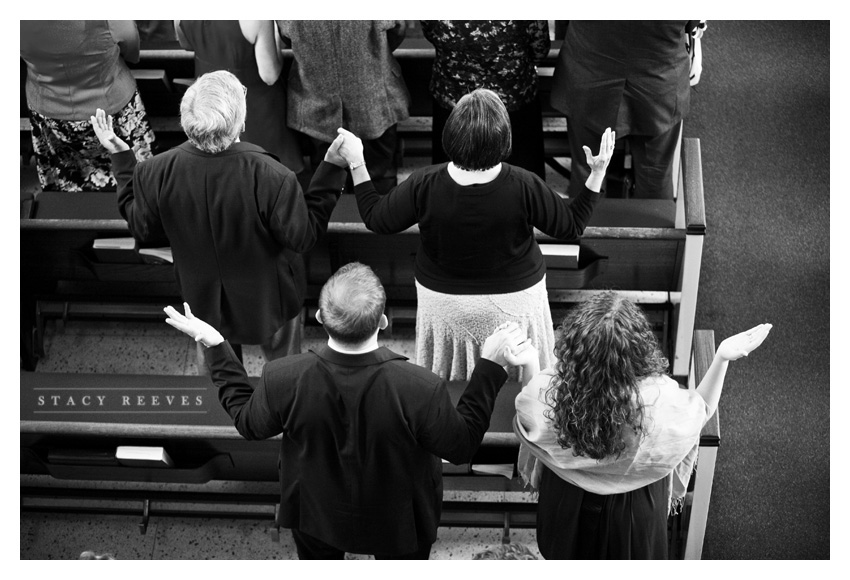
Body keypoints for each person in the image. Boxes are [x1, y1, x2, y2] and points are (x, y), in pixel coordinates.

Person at [163, 262, 531, 560]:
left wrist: (215, 345)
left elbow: (248, 423)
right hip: (398, 519)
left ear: (321, 318)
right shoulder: (419, 387)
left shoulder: (284, 377)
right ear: (383, 322)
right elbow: (461, 445)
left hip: (315, 511)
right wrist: (489, 367)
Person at [336, 88, 615, 381]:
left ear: (451, 135)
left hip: (446, 302)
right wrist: (596, 173)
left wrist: (357, 162)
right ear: (504, 138)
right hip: (515, 301)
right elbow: (570, 226)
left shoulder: (424, 183)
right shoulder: (524, 184)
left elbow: (376, 219)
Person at [91, 70, 347, 368]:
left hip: (202, 297)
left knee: (217, 376)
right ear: (240, 119)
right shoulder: (272, 175)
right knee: (284, 368)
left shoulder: (153, 172)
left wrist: (124, 161)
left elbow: (143, 230)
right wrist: (330, 170)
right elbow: (302, 237)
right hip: (269, 295)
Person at [508, 292, 771, 559]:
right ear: (637, 349)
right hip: (634, 510)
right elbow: (701, 408)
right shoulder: (661, 400)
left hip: (567, 501)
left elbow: (530, 416)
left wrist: (530, 363)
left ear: (576, 348)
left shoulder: (554, 391)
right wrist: (721, 358)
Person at [550, 21, 706, 199]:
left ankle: (584, 225)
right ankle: (652, 225)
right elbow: (692, 25)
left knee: (588, 171)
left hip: (589, 74)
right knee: (654, 175)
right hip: (658, 83)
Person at [276, 20, 410, 195]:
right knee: (378, 180)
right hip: (374, 96)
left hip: (316, 98)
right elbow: (397, 30)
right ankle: (376, 220)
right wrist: (372, 51)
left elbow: (287, 36)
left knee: (327, 184)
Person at [20, 20, 155, 192]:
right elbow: (131, 50)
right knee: (128, 165)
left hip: (48, 105)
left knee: (66, 175)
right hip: (109, 104)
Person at [175, 20, 306, 179]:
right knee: (269, 179)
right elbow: (269, 75)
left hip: (210, 104)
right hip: (254, 110)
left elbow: (187, 44)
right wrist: (275, 37)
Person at [421, 20, 550, 178]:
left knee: (451, 174)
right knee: (520, 176)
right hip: (511, 96)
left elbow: (430, 33)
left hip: (454, 95)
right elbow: (540, 47)